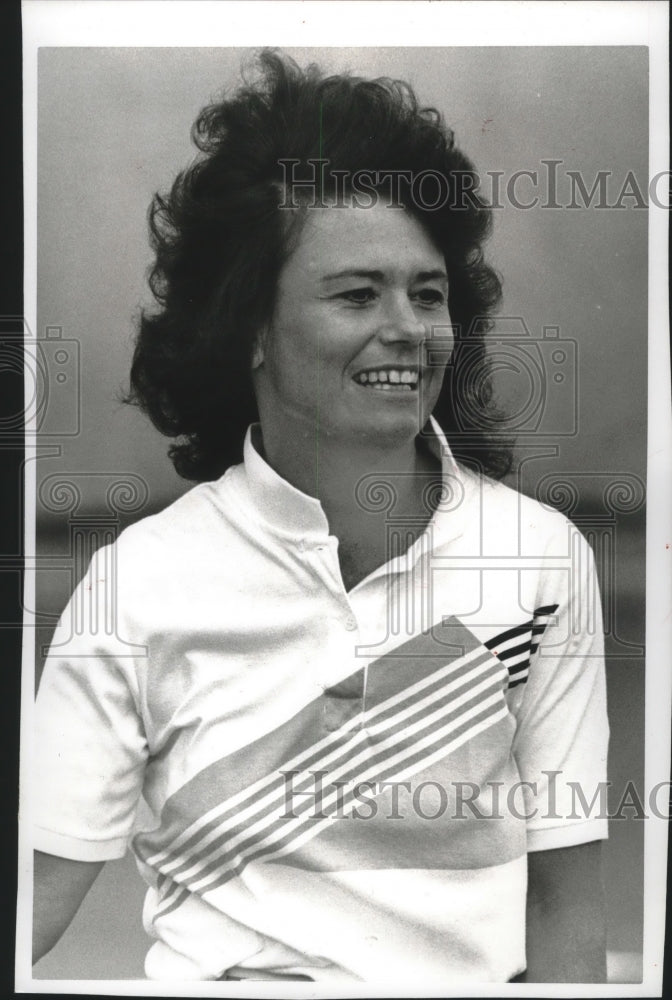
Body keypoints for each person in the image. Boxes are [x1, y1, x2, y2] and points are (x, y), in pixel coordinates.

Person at [32, 50, 609, 983]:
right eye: (356, 294)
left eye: (428, 293)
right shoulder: (136, 585)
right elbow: (34, 902)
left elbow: (570, 908)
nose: (409, 328)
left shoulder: (538, 558)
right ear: (250, 328)